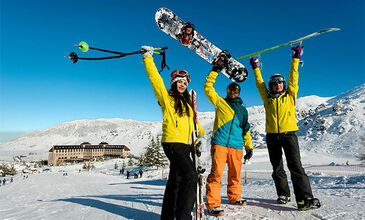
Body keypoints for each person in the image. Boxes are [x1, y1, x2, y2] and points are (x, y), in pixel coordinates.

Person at [249, 45, 321, 211]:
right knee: (277, 167)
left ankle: (304, 199)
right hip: (272, 136)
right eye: (274, 84)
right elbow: (260, 84)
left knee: (295, 166)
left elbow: (293, 78)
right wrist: (255, 68)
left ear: (283, 85)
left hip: (289, 135)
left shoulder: (290, 96)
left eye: (280, 83)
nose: (278, 85)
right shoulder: (267, 98)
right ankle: (283, 194)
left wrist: (295, 59)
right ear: (271, 86)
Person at [141, 45, 206, 220]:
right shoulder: (167, 99)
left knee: (175, 181)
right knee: (191, 176)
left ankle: (167, 216)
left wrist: (202, 136)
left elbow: (194, 124)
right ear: (173, 83)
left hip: (186, 146)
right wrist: (148, 58)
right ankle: (183, 216)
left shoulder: (189, 105)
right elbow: (155, 79)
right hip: (172, 143)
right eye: (179, 82)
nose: (182, 85)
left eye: (185, 83)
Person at [204, 51, 253, 217]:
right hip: (219, 143)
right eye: (231, 88)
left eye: (236, 89)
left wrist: (249, 147)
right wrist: (215, 71)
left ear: (239, 92)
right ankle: (212, 203)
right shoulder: (220, 103)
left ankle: (234, 197)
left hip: (236, 146)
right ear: (227, 90)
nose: (233, 91)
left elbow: (246, 130)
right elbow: (208, 89)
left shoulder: (242, 111)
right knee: (216, 174)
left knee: (235, 174)